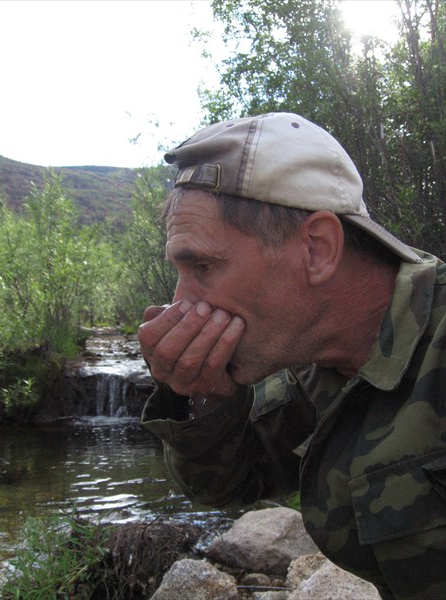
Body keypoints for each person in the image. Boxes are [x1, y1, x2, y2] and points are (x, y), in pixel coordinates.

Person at [137, 112, 446, 600]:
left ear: (317, 249)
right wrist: (206, 396)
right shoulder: (310, 364)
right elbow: (226, 485)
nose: (180, 303)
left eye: (203, 266)